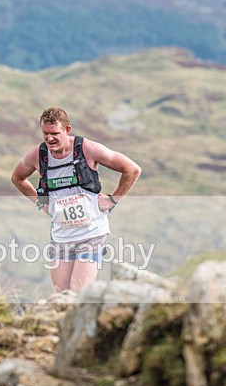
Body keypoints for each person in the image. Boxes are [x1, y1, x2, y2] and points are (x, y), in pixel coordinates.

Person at [11, 107, 141, 292]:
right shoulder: (37, 155)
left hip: (92, 232)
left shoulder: (87, 149)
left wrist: (112, 200)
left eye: (55, 133)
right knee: (61, 292)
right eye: (45, 134)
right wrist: (40, 202)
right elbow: (17, 178)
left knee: (78, 290)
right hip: (61, 235)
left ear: (67, 130)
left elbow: (132, 169)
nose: (49, 139)